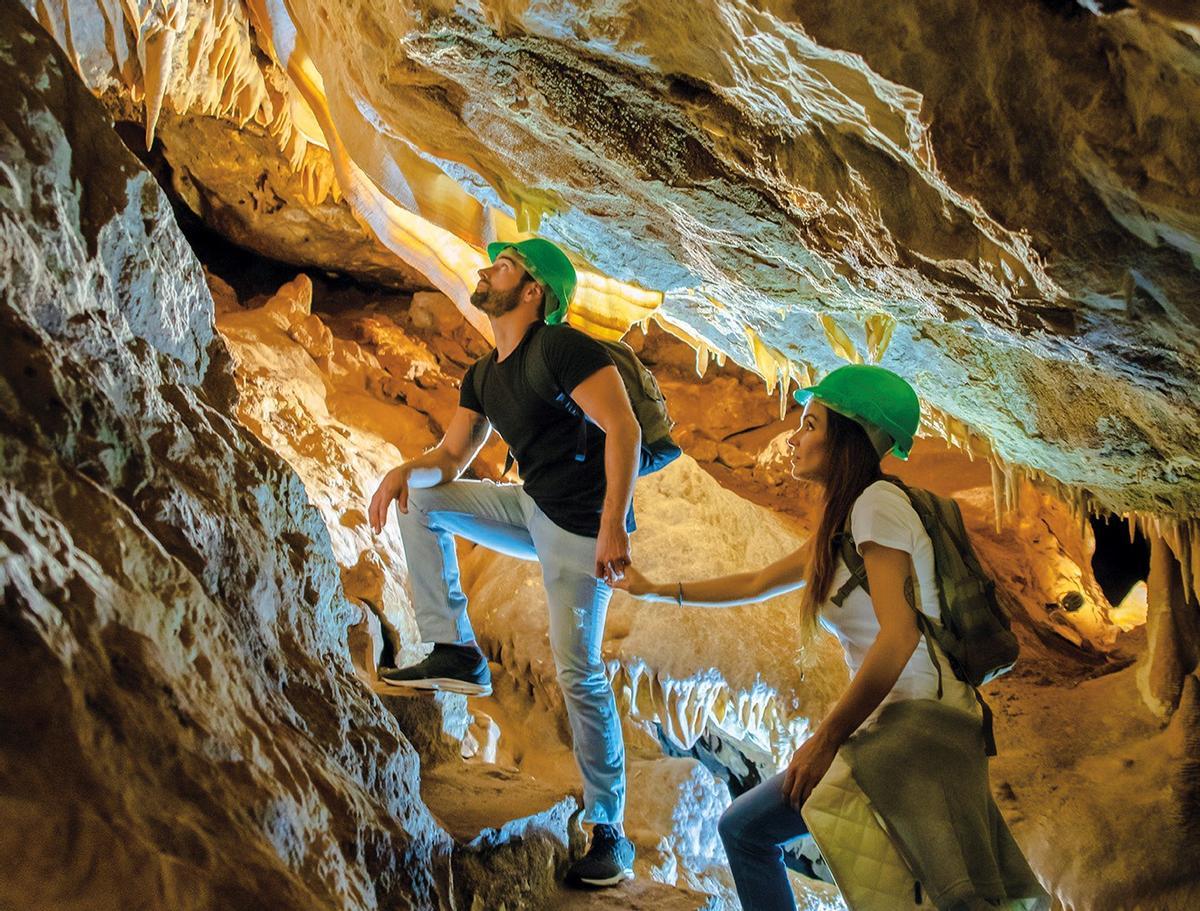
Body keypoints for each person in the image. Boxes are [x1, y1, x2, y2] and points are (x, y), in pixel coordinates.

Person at [615, 364, 1038, 910]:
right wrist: (654, 590)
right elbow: (757, 582)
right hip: (904, 722)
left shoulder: (877, 506)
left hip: (919, 726)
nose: (794, 438)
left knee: (749, 831)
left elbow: (899, 637)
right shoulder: (847, 521)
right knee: (925, 888)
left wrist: (826, 740)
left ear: (848, 440)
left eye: (810, 424)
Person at [368, 238, 639, 887]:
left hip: (581, 526)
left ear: (533, 291)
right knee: (422, 499)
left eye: (505, 265)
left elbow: (624, 428)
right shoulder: (484, 374)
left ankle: (610, 830)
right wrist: (405, 470)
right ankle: (454, 649)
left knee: (579, 670)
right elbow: (450, 457)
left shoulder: (563, 348)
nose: (487, 270)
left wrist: (612, 523)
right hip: (531, 507)